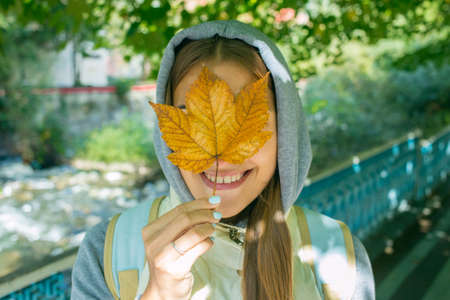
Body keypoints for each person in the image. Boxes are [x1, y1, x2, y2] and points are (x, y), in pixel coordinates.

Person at [71, 20, 375, 300]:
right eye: (190, 118)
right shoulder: (108, 251)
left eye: (251, 124)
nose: (222, 160)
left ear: (287, 132)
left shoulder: (340, 254)